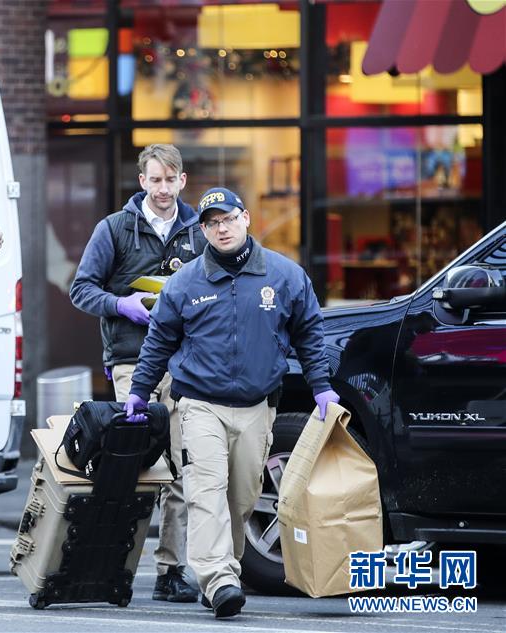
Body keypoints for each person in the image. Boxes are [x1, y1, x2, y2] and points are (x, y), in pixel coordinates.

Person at [124, 186, 339, 618]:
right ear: (203, 232)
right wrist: (139, 391)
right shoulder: (185, 282)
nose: (220, 229)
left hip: (258, 406)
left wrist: (322, 387)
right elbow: (158, 341)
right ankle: (219, 578)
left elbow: (310, 334)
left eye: (227, 219)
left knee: (241, 499)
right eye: (211, 224)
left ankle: (225, 569)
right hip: (200, 404)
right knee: (206, 491)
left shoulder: (285, 276)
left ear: (246, 219)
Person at [70, 143, 207, 602]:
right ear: (142, 181)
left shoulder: (199, 230)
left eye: (171, 180)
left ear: (182, 181)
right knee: (133, 467)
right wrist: (121, 305)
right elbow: (81, 290)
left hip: (187, 364)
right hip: (132, 361)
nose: (163, 188)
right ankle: (112, 567)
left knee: (183, 469)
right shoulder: (113, 229)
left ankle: (170, 571)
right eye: (155, 180)